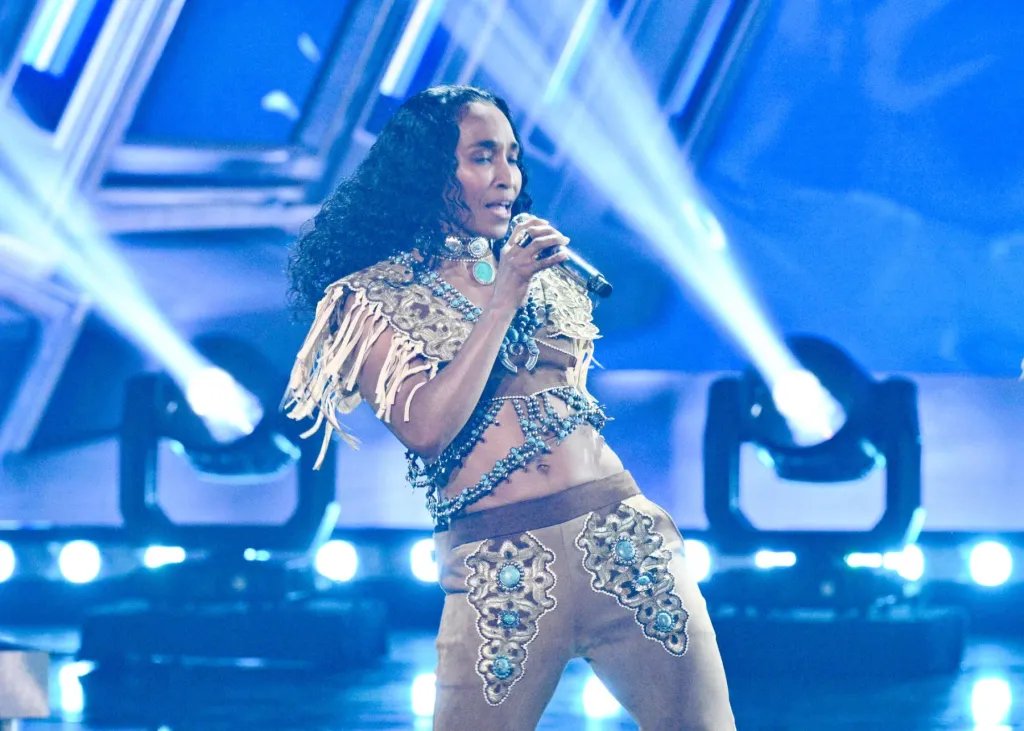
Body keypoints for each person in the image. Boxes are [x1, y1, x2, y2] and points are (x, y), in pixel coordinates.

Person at [284, 84, 735, 730]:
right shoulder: (369, 299)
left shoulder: (545, 273)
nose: (507, 177)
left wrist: (518, 281)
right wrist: (503, 300)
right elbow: (427, 429)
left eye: (513, 157)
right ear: (430, 170)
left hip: (622, 539)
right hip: (502, 566)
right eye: (482, 157)